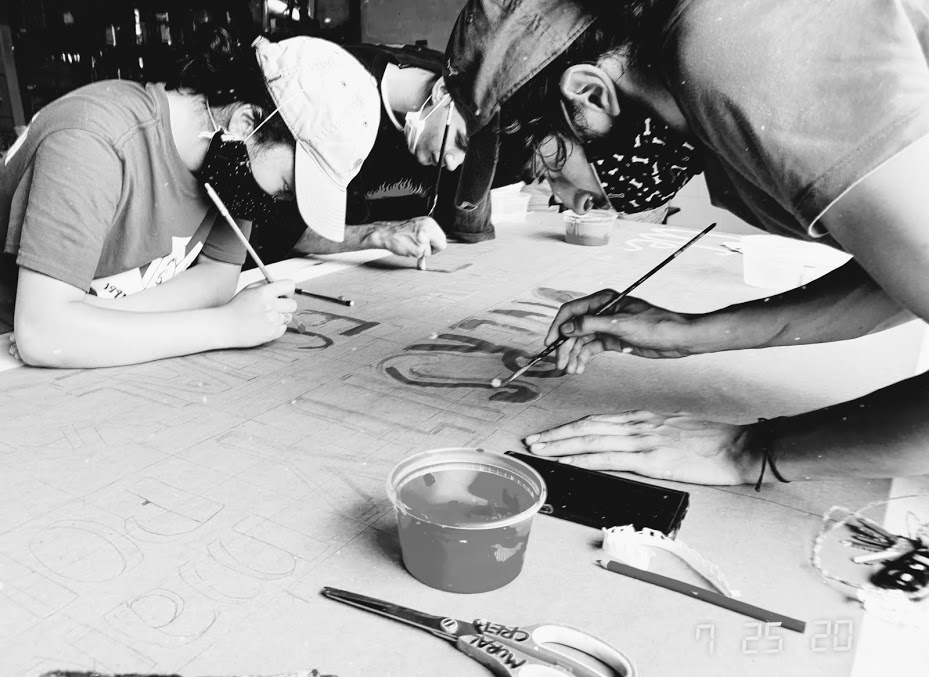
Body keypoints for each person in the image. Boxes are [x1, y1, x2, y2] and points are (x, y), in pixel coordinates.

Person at [445, 0, 929, 486]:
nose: (566, 201)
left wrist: (751, 451)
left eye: (548, 168)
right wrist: (687, 332)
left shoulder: (740, 55)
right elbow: (896, 281)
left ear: (589, 94)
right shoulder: (706, 101)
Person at [0, 30, 379, 367]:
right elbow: (41, 335)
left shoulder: (229, 157)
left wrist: (90, 315)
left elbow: (217, 279)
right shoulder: (93, 141)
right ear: (247, 122)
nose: (279, 202)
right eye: (286, 185)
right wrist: (225, 326)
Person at [249, 43, 529, 266]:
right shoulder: (331, 91)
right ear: (441, 91)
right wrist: (378, 235)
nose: (453, 164)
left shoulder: (435, 129)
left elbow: (471, 226)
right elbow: (272, 224)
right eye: (458, 142)